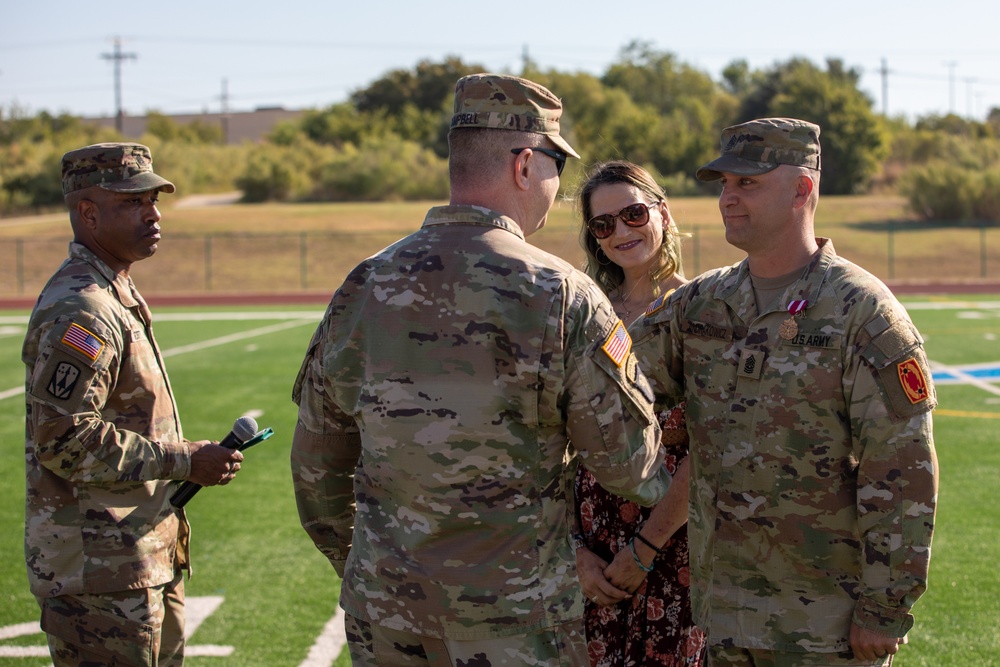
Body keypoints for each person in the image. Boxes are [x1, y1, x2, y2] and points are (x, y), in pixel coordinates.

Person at [290, 73, 674, 666]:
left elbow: (316, 473)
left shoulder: (362, 285)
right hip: (517, 622)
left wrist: (368, 570)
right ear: (524, 164)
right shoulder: (562, 294)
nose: (557, 183)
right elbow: (632, 470)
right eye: (555, 165)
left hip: (388, 617)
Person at [629, 118, 939, 666]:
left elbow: (902, 469)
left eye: (747, 183)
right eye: (724, 184)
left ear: (802, 189)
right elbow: (613, 382)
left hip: (825, 625)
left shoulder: (861, 312)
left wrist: (884, 608)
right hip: (722, 614)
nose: (727, 198)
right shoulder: (703, 304)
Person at [22, 143, 245, 667]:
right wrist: (186, 460)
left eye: (153, 200)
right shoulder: (83, 309)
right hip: (99, 573)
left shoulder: (111, 290)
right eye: (131, 202)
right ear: (88, 213)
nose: (153, 213)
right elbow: (64, 439)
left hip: (134, 559)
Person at [573, 161, 705, 666]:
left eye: (633, 213)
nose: (620, 232)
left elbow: (711, 446)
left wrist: (645, 549)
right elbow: (555, 441)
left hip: (674, 539)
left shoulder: (702, 310)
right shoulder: (586, 312)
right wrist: (575, 550)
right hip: (592, 543)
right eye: (603, 224)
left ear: (663, 214)